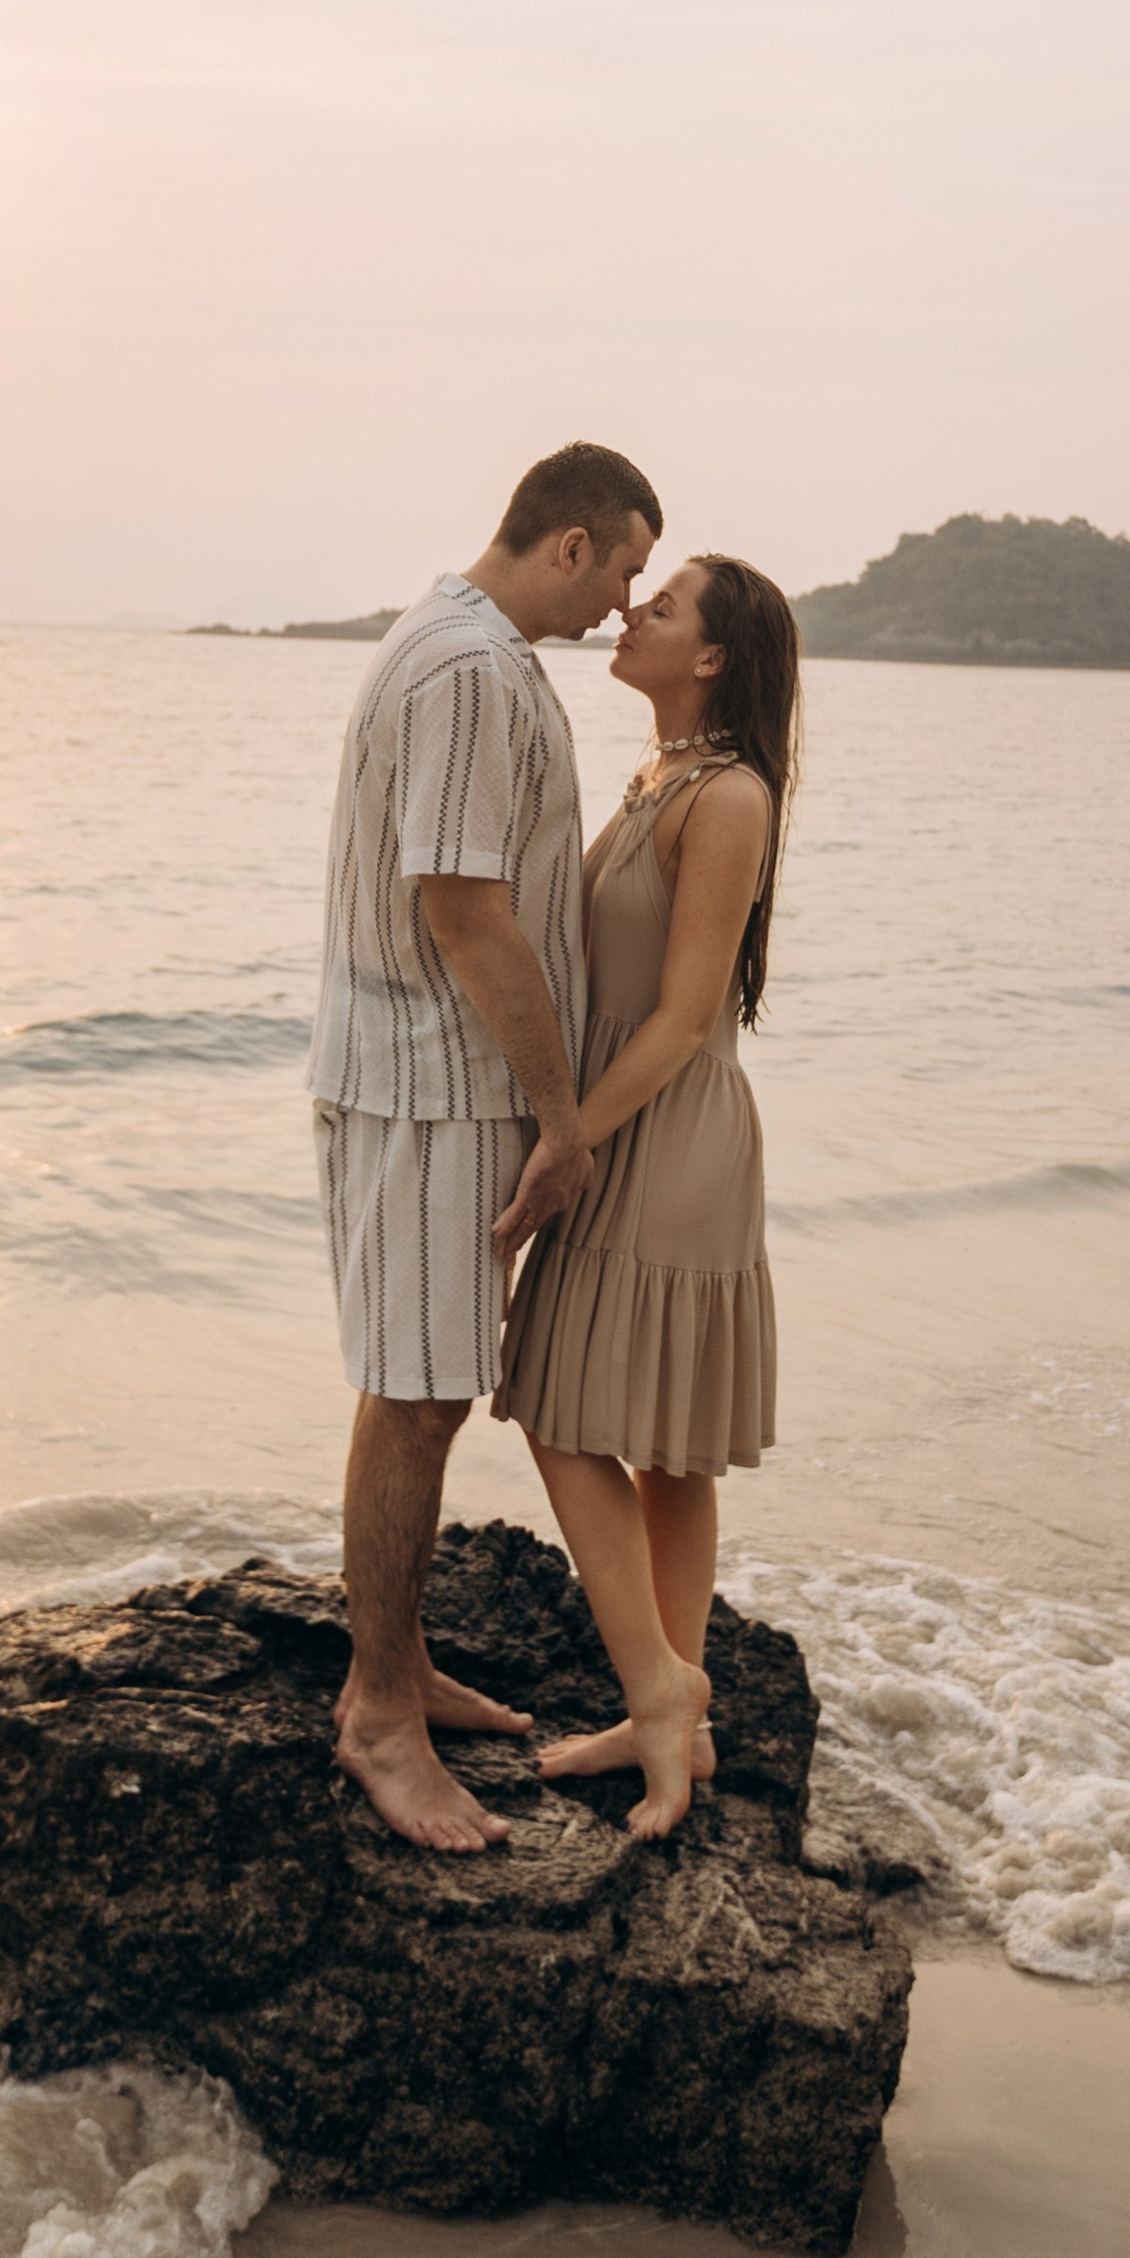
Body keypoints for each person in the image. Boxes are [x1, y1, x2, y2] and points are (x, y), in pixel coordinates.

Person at [312, 441, 662, 1852]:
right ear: (567, 544)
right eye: (623, 571)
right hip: (426, 1085)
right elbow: (461, 910)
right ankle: (378, 1720)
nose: (623, 607)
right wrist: (563, 1118)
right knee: (412, 1393)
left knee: (431, 1386)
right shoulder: (463, 668)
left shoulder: (481, 652)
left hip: (447, 1086)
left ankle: (397, 1674)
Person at [491, 552, 800, 1836]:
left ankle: (661, 1686)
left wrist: (568, 1142)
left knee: (560, 1402)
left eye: (661, 607)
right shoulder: (658, 777)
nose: (632, 611)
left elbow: (681, 1020)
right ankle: (670, 1706)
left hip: (664, 1139)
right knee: (658, 1447)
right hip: (633, 1126)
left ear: (713, 657)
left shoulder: (724, 798)